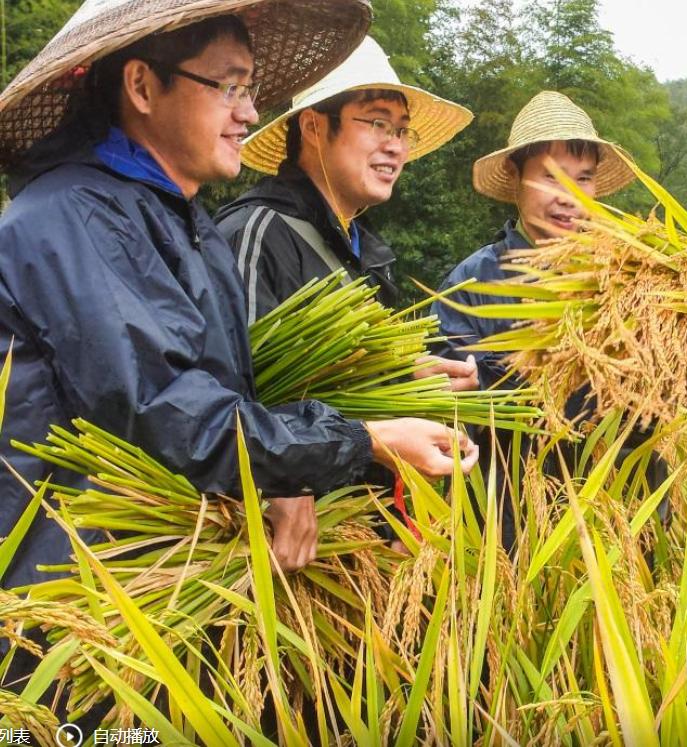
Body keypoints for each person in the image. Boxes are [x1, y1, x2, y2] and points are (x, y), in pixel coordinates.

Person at [0, 0, 477, 595]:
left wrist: (289, 475)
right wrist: (367, 440)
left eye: (249, 89)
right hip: (70, 594)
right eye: (228, 86)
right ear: (143, 86)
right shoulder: (73, 217)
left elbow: (223, 390)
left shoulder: (182, 223)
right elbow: (167, 416)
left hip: (154, 578)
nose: (250, 113)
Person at [217, 35, 477, 390]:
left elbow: (350, 382)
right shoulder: (257, 234)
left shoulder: (367, 250)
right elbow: (237, 404)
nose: (395, 146)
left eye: (401, 130)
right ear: (313, 127)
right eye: (377, 124)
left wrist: (407, 377)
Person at [430, 90, 636, 392]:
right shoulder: (469, 288)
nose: (569, 197)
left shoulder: (624, 280)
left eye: (583, 179)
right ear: (515, 176)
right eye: (552, 176)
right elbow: (455, 407)